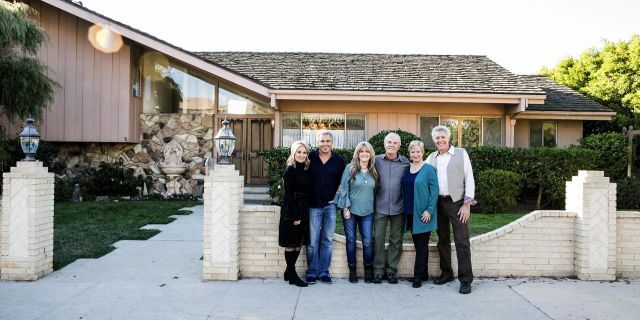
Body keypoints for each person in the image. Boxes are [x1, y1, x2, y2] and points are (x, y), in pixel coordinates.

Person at [427, 125, 477, 294]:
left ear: (448, 138)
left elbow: (469, 178)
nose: (440, 140)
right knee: (442, 240)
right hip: (438, 203)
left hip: (457, 203)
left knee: (462, 241)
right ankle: (446, 273)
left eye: (443, 137)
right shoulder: (431, 157)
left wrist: (467, 204)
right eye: (437, 138)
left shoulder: (461, 154)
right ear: (434, 140)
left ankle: (465, 280)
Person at [334, 142, 378, 283]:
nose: (364, 154)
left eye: (367, 151)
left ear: (371, 154)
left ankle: (368, 270)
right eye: (361, 151)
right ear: (357, 154)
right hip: (350, 212)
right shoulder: (350, 168)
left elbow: (375, 192)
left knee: (367, 242)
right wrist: (345, 208)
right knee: (351, 241)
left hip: (368, 212)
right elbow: (343, 188)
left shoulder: (374, 170)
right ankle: (352, 270)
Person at [307, 131, 346, 284]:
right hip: (313, 205)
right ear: (317, 142)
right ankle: (311, 271)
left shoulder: (338, 161)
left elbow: (343, 183)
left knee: (327, 240)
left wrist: (336, 198)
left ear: (332, 143)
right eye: (322, 141)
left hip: (330, 206)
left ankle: (324, 272)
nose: (325, 143)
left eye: (328, 141)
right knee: (312, 241)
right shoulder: (310, 158)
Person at [372, 132, 410, 284]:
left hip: (398, 207)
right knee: (378, 239)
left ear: (399, 146)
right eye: (389, 142)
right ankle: (378, 271)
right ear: (384, 144)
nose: (392, 145)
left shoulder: (406, 163)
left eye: (395, 143)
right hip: (380, 206)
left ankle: (392, 271)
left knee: (396, 240)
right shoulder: (376, 161)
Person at [402, 140, 439, 288]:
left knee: (422, 245)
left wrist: (429, 210)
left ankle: (418, 277)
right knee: (418, 245)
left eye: (418, 151)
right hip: (410, 213)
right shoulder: (406, 168)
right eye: (413, 152)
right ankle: (423, 273)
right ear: (409, 154)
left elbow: (434, 191)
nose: (415, 154)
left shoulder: (428, 169)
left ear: (423, 152)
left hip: (423, 214)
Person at [279, 140, 312, 287]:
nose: (302, 155)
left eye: (304, 152)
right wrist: (296, 215)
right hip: (292, 209)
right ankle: (292, 275)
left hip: (304, 207)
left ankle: (288, 271)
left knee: (298, 243)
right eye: (299, 152)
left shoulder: (306, 168)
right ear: (293, 153)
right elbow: (288, 195)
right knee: (291, 243)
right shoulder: (290, 170)